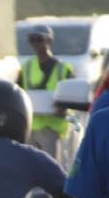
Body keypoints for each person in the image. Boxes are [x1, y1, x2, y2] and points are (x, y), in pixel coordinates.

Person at [18, 23, 77, 159]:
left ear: (49, 41)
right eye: (32, 39)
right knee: (30, 168)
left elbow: (74, 97)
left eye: (39, 39)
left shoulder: (64, 69)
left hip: (53, 128)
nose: (35, 43)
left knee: (51, 167)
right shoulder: (26, 68)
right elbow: (18, 92)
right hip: (31, 128)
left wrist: (64, 107)